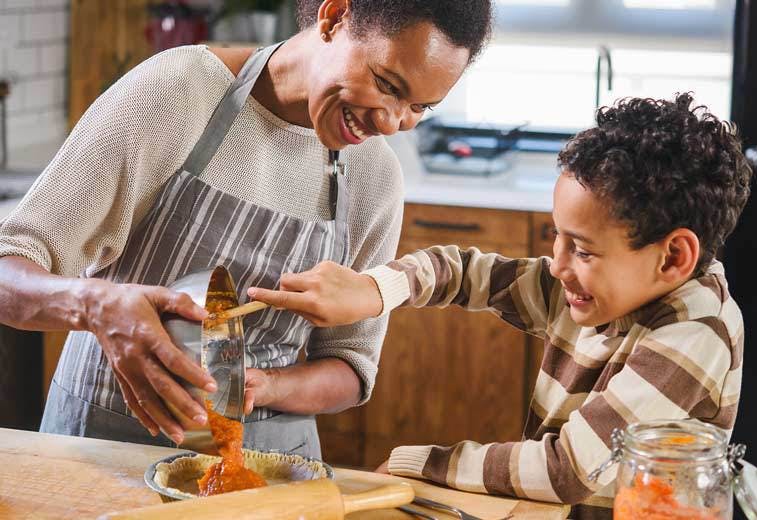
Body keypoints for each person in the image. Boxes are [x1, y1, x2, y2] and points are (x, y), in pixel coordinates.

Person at [0, 0, 493, 459]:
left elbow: (351, 365)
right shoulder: (179, 91)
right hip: (106, 447)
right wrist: (95, 305)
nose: (392, 122)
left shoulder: (375, 178)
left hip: (269, 463)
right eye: (387, 83)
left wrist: (267, 386)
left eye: (420, 108)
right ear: (335, 16)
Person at [249, 93, 752, 517]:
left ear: (674, 257)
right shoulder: (607, 286)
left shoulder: (696, 329)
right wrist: (374, 291)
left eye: (582, 249)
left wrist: (418, 463)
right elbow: (463, 272)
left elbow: (568, 469)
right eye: (558, 238)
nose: (557, 265)